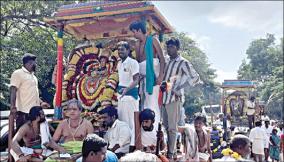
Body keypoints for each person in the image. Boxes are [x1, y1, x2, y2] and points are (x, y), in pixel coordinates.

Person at [160, 38, 200, 159]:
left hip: (174, 98)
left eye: (172, 47)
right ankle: (169, 150)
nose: (169, 49)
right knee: (166, 126)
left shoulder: (183, 62)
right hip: (163, 97)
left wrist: (180, 87)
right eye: (168, 47)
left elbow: (195, 78)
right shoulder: (167, 60)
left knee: (172, 128)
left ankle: (171, 154)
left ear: (177, 48)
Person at [129, 21, 165, 127]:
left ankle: (155, 130)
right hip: (141, 79)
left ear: (140, 30)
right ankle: (145, 130)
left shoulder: (153, 40)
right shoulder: (137, 44)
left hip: (152, 78)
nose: (133, 34)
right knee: (143, 105)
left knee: (152, 105)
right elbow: (137, 62)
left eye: (134, 32)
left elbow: (162, 59)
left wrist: (160, 77)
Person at [10, 53, 50, 130]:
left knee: (35, 135)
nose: (35, 65)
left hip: (36, 112)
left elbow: (34, 94)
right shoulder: (18, 73)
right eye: (33, 63)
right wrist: (13, 107)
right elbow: (13, 90)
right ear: (27, 63)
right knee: (23, 135)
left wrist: (41, 102)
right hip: (24, 112)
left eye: (35, 63)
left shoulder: (33, 76)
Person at [116, 41, 140, 131]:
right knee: (122, 122)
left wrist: (126, 89)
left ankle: (133, 144)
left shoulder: (133, 63)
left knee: (131, 123)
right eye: (118, 50)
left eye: (122, 49)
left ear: (128, 50)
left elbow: (136, 80)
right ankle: (124, 143)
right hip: (121, 97)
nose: (120, 52)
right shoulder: (119, 63)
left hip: (131, 98)